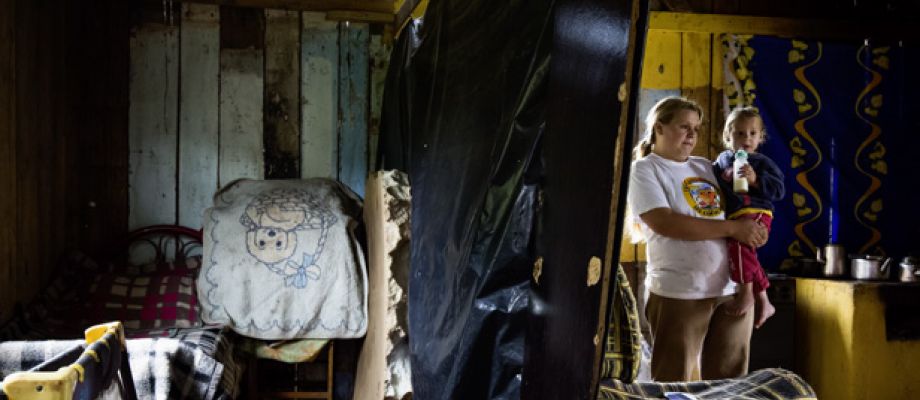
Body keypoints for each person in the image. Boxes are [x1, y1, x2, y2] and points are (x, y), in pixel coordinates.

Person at [627, 96, 768, 382]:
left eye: (696, 128)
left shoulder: (706, 167)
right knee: (675, 383)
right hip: (681, 292)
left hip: (731, 290)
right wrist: (734, 229)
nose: (692, 134)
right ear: (659, 128)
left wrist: (756, 282)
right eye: (684, 127)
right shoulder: (645, 169)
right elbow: (665, 222)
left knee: (728, 385)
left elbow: (743, 213)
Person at [712, 106, 785, 329]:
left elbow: (779, 190)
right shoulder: (722, 160)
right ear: (728, 135)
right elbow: (712, 179)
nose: (747, 138)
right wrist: (723, 176)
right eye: (740, 133)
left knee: (739, 246)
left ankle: (746, 293)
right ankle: (764, 299)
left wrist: (756, 180)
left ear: (761, 137)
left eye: (753, 133)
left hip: (758, 212)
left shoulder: (762, 163)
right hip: (736, 216)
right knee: (745, 252)